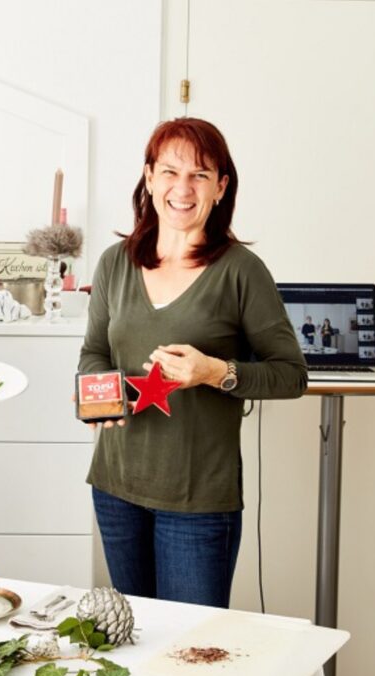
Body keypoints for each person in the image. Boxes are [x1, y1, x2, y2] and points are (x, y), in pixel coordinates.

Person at [78, 117, 306, 608]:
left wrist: (214, 372)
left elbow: (291, 375)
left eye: (200, 175)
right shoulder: (115, 262)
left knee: (189, 653)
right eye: (170, 172)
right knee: (132, 637)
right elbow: (94, 352)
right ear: (149, 177)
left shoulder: (241, 272)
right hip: (116, 488)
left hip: (198, 501)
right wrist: (97, 403)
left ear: (221, 187)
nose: (182, 188)